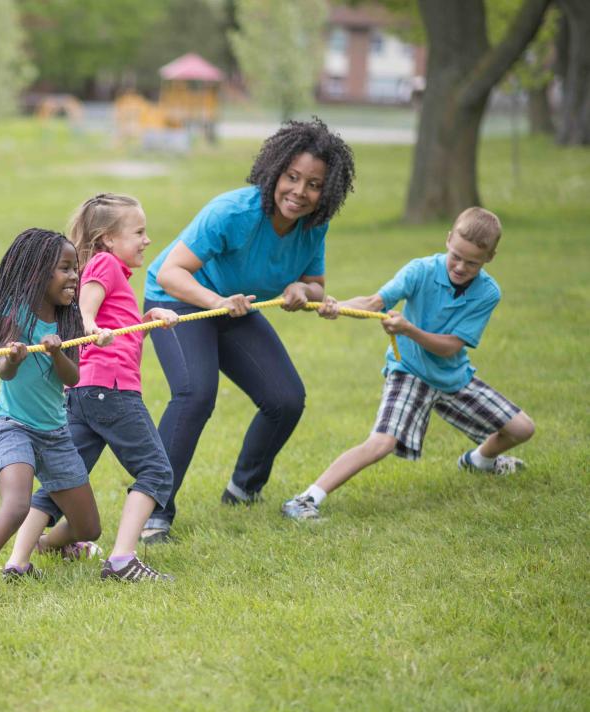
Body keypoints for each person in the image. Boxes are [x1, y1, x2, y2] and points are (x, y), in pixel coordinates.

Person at [140, 119, 353, 543]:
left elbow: (315, 286)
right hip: (178, 301)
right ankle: (154, 513)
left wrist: (302, 289)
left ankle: (243, 489)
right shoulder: (233, 211)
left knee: (285, 399)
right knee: (195, 395)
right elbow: (171, 273)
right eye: (292, 177)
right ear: (275, 172)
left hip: (234, 306)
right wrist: (217, 302)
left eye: (313, 184)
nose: (299, 192)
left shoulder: (314, 226)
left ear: (326, 192)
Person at [281, 207, 534, 520]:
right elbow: (374, 303)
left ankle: (478, 461)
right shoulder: (421, 270)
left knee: (522, 429)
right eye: (456, 255)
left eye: (472, 262)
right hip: (409, 371)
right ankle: (306, 499)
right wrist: (336, 306)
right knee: (381, 443)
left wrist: (409, 330)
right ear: (448, 240)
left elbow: (450, 347)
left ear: (489, 258)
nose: (459, 266)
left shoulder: (488, 293)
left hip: (452, 376)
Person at [5, 194, 179, 582]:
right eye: (138, 232)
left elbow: (120, 332)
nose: (147, 240)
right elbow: (88, 305)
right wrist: (87, 324)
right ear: (107, 239)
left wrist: (150, 318)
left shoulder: (115, 273)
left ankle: (18, 560)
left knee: (62, 481)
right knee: (155, 470)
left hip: (86, 392)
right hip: (112, 392)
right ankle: (122, 560)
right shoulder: (104, 264)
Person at [0, 229, 103, 616]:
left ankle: (50, 544)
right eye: (65, 269)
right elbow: (4, 370)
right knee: (16, 505)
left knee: (89, 529)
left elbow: (72, 379)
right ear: (37, 274)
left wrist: (56, 353)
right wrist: (14, 356)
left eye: (75, 269)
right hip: (12, 426)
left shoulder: (68, 320)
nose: (74, 277)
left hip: (55, 434)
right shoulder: (14, 314)